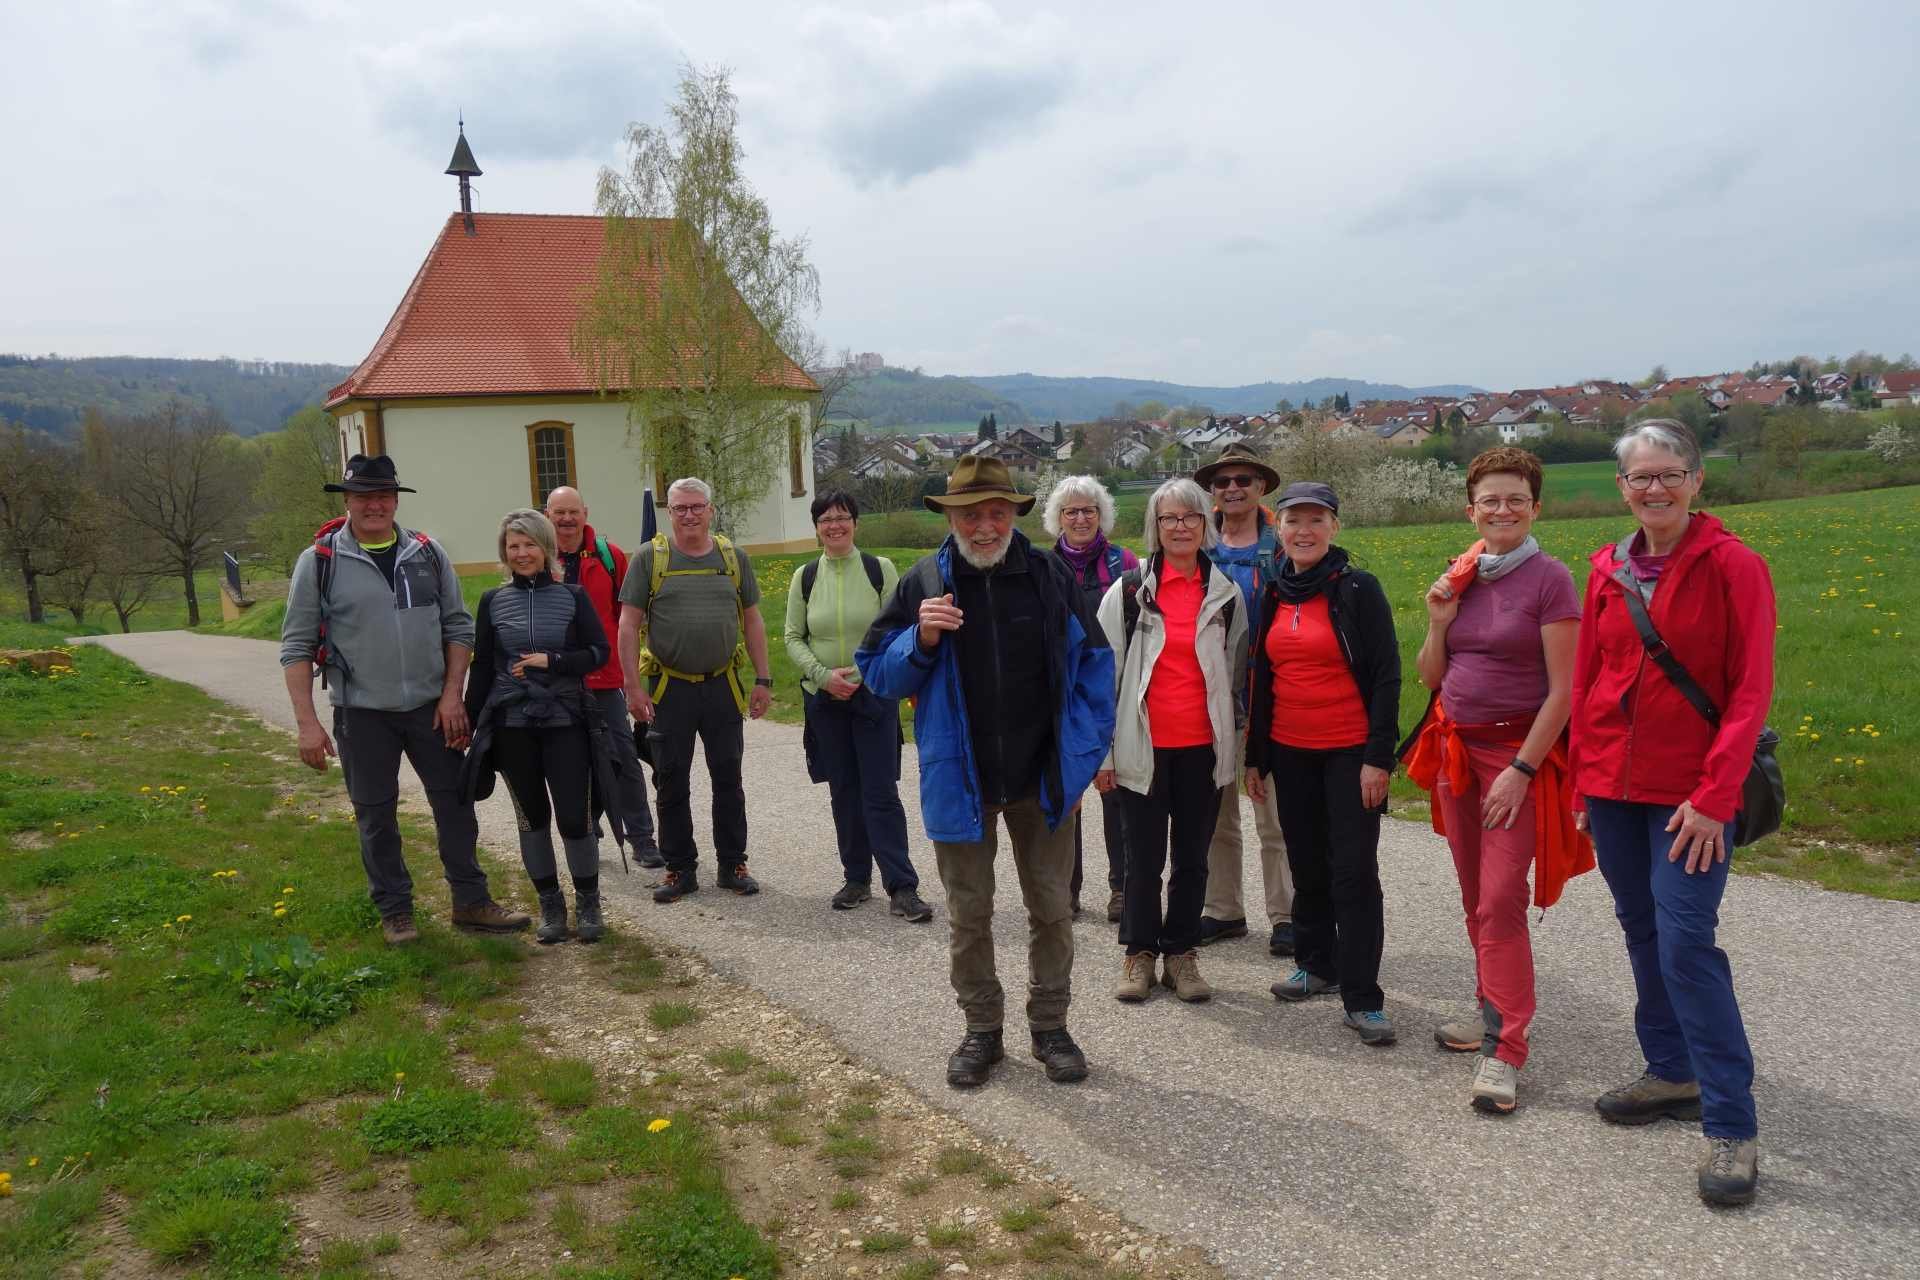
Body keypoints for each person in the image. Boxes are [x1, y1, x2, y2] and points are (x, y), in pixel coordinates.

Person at [857, 456, 1115, 1090]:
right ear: (951, 518)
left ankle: (1051, 1026)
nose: (984, 526)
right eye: (970, 514)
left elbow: (1095, 670)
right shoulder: (924, 582)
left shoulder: (1049, 576)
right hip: (959, 779)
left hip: (1042, 780)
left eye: (997, 512)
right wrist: (919, 640)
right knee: (969, 913)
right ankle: (982, 1030)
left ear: (1013, 515)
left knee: (1052, 909)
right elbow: (877, 673)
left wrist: (1080, 761)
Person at [1571, 419, 1774, 1207]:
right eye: (1640, 477)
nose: (1654, 489)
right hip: (1612, 789)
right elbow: (1590, 677)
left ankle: (1732, 1126)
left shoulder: (1734, 565)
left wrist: (1716, 797)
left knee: (1687, 943)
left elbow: (1750, 690)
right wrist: (1581, 783)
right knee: (1641, 928)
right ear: (1622, 487)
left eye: (1669, 474)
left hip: (1693, 796)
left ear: (1696, 480)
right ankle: (1670, 1071)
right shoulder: (1607, 568)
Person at [279, 454, 530, 945]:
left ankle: (471, 901)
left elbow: (458, 628)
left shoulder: (428, 554)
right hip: (360, 713)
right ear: (347, 502)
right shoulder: (320, 561)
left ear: (395, 500)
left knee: (455, 805)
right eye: (363, 496)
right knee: (375, 814)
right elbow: (296, 646)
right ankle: (395, 911)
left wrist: (452, 695)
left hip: (431, 709)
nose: (373, 505)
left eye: (383, 495)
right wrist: (307, 723)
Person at [1406, 448, 1586, 1113]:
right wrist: (1439, 622)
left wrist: (1522, 770)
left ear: (1535, 508)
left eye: (1515, 500)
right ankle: (1490, 1010)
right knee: (1473, 894)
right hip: (1457, 750)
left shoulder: (1551, 580)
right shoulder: (1463, 574)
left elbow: (1564, 691)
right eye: (1490, 500)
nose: (1502, 510)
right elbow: (1431, 676)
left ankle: (1506, 1049)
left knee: (1502, 899)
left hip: (1515, 758)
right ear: (1471, 510)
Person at [1245, 482, 1401, 1045]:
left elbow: (1386, 675)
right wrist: (1256, 756)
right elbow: (1262, 678)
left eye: (1316, 520)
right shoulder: (1274, 591)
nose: (1304, 531)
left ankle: (1363, 998)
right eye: (1293, 521)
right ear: (1279, 529)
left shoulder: (1358, 589)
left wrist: (1378, 759)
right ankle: (1316, 964)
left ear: (1334, 527)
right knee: (1306, 863)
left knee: (1353, 872)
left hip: (1350, 753)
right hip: (1290, 749)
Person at [1093, 478, 1248, 1004]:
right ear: (1155, 527)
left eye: (1190, 517)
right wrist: (1104, 755)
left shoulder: (1226, 595)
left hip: (1203, 749)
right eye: (1169, 518)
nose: (1180, 527)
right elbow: (1103, 679)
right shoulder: (1128, 592)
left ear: (1206, 524)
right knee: (1142, 860)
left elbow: (1236, 675)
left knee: (1193, 860)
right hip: (1142, 747)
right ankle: (1139, 953)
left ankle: (1181, 954)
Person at [461, 510, 628, 944]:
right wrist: (469, 722)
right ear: (504, 552)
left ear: (546, 547)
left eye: (529, 544)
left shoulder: (573, 596)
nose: (521, 553)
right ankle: (551, 906)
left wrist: (553, 661)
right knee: (531, 817)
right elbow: (483, 666)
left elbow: (599, 652)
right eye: (513, 546)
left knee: (575, 817)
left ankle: (588, 903)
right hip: (513, 725)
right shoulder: (492, 601)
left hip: (565, 722)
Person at [615, 477, 775, 904]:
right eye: (680, 508)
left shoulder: (733, 558)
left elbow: (753, 619)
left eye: (696, 507)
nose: (689, 515)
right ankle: (679, 868)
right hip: (670, 688)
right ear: (669, 513)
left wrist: (763, 679)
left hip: (723, 685)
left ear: (710, 510)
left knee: (729, 778)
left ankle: (732, 864)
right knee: (670, 780)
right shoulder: (649, 558)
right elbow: (628, 624)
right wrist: (632, 686)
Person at [783, 490, 932, 923]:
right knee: (844, 789)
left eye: (842, 517)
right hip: (824, 698)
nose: (835, 525)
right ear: (817, 528)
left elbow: (899, 630)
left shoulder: (878, 569)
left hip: (874, 696)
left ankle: (902, 887)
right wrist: (822, 676)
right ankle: (856, 879)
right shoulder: (805, 577)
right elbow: (793, 636)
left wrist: (866, 674)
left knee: (880, 791)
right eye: (826, 519)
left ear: (855, 523)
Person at [1191, 442, 1295, 956]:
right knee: (1215, 811)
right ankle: (1223, 909)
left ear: (1261, 487)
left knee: (1274, 813)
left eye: (1243, 480)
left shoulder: (1283, 548)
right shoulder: (1194, 543)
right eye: (1222, 481)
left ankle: (1287, 915)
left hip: (1268, 696)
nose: (1232, 488)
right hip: (1206, 695)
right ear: (1211, 490)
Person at [544, 485, 663, 870]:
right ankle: (586, 829)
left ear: (585, 513)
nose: (566, 519)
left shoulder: (609, 557)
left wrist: (632, 678)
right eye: (559, 512)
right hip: (557, 679)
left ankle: (642, 838)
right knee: (571, 760)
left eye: (573, 511)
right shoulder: (538, 556)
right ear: (547, 515)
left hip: (605, 677)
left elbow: (627, 619)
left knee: (623, 757)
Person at [1042, 474, 1139, 922]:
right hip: (1062, 692)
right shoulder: (1042, 565)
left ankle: (1122, 888)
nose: (1080, 518)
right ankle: (1067, 887)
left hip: (1115, 691)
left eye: (1089, 510)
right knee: (1066, 792)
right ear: (1058, 518)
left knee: (1117, 793)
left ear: (1102, 515)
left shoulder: (1126, 563)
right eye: (1071, 511)